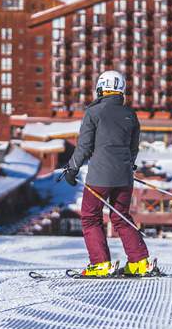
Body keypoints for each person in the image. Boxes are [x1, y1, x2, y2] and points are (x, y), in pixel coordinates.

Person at [63, 70, 156, 277]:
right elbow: (133, 148)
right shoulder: (130, 114)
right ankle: (139, 262)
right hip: (124, 176)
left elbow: (84, 146)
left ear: (101, 88)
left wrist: (72, 168)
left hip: (100, 177)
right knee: (121, 216)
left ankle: (101, 264)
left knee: (90, 216)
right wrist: (127, 165)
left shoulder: (93, 113)